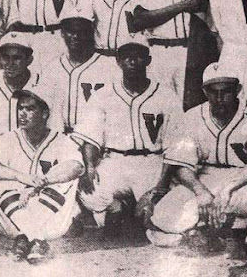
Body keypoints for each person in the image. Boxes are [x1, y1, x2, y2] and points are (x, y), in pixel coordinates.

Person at [144, 63, 247, 268]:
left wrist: (230, 187)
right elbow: (181, 164)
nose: (219, 98)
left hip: (244, 179)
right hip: (206, 177)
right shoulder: (192, 116)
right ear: (205, 91)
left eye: (226, 91)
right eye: (213, 91)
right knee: (163, 217)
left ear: (237, 90)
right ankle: (232, 223)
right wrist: (201, 193)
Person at [72, 38, 182, 231]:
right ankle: (125, 208)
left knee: (166, 206)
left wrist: (162, 184)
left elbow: (174, 145)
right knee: (88, 193)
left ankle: (127, 210)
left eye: (138, 57)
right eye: (127, 57)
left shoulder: (166, 95)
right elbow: (91, 135)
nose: (132, 62)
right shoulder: (103, 94)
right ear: (118, 61)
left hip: (152, 161)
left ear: (148, 60)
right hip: (116, 160)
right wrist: (89, 167)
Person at [0, 88, 84, 263]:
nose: (22, 114)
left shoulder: (61, 140)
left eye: (30, 109)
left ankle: (27, 238)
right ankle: (36, 238)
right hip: (13, 220)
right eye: (20, 108)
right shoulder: (7, 139)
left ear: (44, 114)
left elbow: (76, 166)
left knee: (65, 180)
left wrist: (43, 181)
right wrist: (20, 177)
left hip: (50, 221)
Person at [0, 32, 59, 140]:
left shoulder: (44, 85)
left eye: (17, 58)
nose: (10, 63)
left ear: (29, 60)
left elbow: (54, 127)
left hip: (33, 147)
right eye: (5, 57)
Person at [47, 16, 117, 133]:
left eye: (81, 31)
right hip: (60, 137)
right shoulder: (52, 67)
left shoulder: (108, 65)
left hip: (95, 137)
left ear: (90, 33)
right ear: (63, 33)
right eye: (71, 31)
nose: (75, 36)